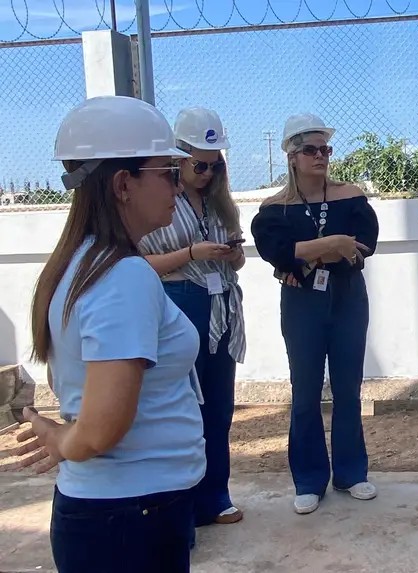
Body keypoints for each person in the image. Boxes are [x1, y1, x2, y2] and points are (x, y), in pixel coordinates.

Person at [7, 96, 205, 572]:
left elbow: (74, 386)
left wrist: (70, 439)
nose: (177, 189)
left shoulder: (82, 265)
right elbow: (101, 427)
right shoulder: (124, 277)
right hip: (131, 517)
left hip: (119, 512)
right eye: (167, 173)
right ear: (123, 184)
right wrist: (63, 442)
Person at [251, 113, 379, 515]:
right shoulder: (274, 207)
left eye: (325, 148)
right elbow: (275, 251)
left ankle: (351, 472)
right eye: (311, 149)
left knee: (348, 389)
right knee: (305, 391)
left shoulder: (351, 195)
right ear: (291, 155)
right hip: (303, 303)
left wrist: (302, 254)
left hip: (346, 296)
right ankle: (308, 479)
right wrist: (334, 243)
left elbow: (364, 245)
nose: (321, 155)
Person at [138, 106, 246, 527]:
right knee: (183, 407)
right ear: (177, 158)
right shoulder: (160, 202)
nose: (207, 172)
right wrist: (189, 255)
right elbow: (136, 262)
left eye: (214, 165)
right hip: (179, 301)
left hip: (220, 306)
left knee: (218, 407)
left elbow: (233, 266)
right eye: (199, 164)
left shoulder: (219, 203)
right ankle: (179, 506)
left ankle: (214, 497)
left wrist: (233, 254)